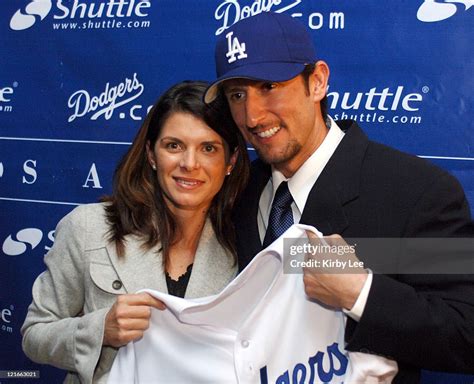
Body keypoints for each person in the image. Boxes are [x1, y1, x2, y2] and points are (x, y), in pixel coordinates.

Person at [204, 12, 474, 384]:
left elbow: (467, 331)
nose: (252, 115)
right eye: (238, 95)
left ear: (317, 82)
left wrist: (362, 292)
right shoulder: (237, 192)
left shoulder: (416, 191)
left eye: (269, 86)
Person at [21, 81, 250, 384]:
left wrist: (335, 263)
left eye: (208, 148)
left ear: (230, 162)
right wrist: (100, 329)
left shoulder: (246, 242)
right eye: (174, 145)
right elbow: (34, 334)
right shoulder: (89, 227)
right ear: (152, 155)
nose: (189, 164)